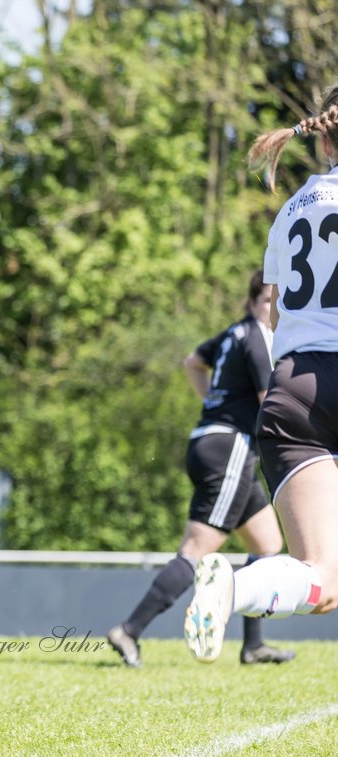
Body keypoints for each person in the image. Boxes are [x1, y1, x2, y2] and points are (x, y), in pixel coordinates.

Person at [185, 89, 338, 661]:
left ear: (323, 139)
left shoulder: (292, 208)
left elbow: (276, 309)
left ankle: (234, 585)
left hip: (293, 389)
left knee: (323, 580)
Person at [106, 273, 294, 666]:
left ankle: (253, 645)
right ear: (255, 301)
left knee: (267, 547)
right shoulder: (258, 335)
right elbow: (268, 401)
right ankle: (129, 630)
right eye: (268, 300)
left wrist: (213, 401)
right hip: (230, 448)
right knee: (195, 550)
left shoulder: (231, 334)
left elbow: (192, 362)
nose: (272, 308)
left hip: (211, 440)